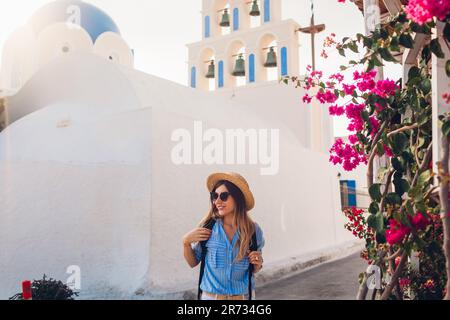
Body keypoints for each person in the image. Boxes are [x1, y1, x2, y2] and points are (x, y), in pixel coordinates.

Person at [182, 172, 265, 300]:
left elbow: (254, 268)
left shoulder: (253, 230)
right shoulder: (208, 227)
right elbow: (193, 262)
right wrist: (185, 242)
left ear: (238, 198)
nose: (217, 201)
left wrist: (257, 263)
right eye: (214, 196)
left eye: (224, 196)